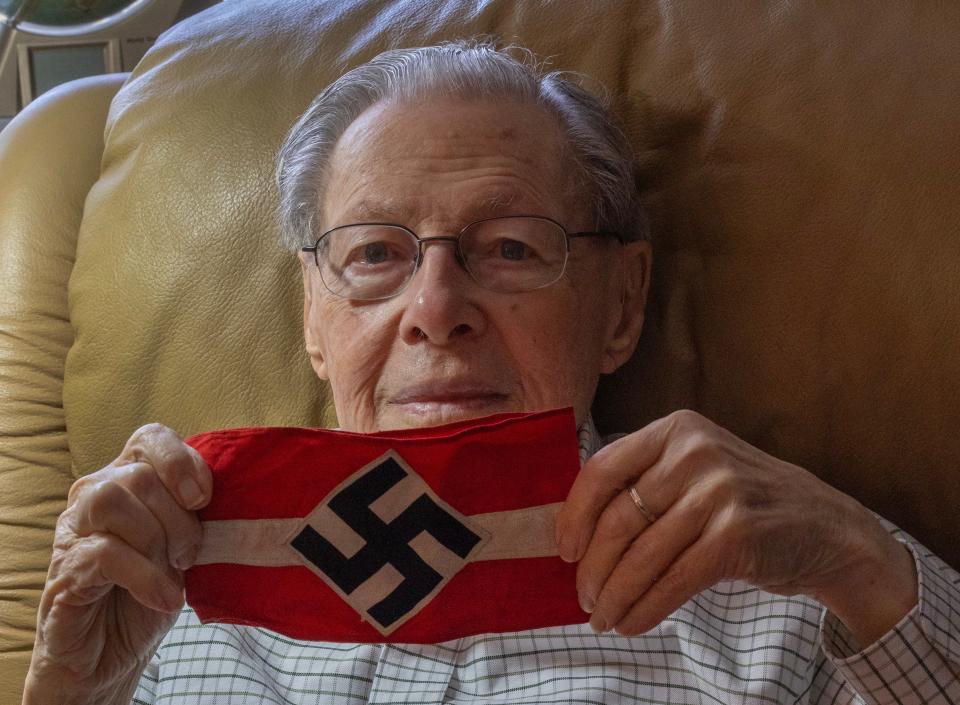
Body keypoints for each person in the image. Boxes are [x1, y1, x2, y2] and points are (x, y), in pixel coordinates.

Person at [22, 41, 960, 705]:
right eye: (376, 254)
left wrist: (858, 565)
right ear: (315, 316)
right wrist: (71, 697)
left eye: (510, 247)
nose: (436, 306)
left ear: (622, 306)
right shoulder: (162, 599)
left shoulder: (800, 593)